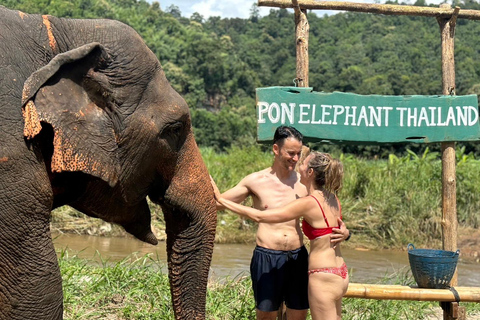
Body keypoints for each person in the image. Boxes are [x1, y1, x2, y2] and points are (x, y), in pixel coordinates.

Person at [215, 126, 349, 320]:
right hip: (267, 256)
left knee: (298, 316)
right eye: (291, 153)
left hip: (298, 257)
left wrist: (346, 233)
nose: (295, 159)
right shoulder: (256, 180)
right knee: (266, 316)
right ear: (276, 149)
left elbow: (328, 217)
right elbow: (218, 203)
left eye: (299, 154)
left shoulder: (304, 183)